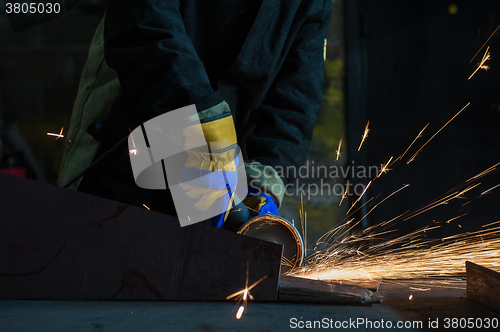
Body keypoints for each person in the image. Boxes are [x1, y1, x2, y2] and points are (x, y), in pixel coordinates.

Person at [58, 0, 332, 228]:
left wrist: (265, 177)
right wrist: (205, 132)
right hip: (132, 136)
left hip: (225, 163)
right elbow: (146, 26)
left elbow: (296, 91)